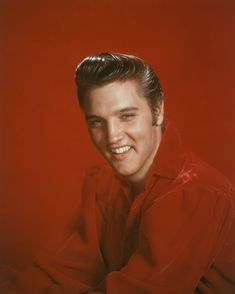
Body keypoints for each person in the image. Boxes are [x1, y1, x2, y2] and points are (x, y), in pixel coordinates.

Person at [1, 52, 235, 293]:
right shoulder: (104, 183)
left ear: (158, 110)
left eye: (126, 116)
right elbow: (58, 271)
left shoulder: (195, 192)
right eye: (97, 122)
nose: (112, 136)